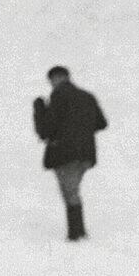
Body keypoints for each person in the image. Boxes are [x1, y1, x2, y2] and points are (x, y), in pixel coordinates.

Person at [31, 67, 107, 240]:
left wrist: (39, 109)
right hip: (86, 154)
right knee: (72, 190)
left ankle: (77, 235)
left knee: (70, 193)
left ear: (55, 79)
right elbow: (102, 123)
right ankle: (77, 234)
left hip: (64, 154)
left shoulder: (58, 96)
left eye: (51, 81)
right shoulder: (88, 96)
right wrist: (81, 128)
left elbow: (45, 130)